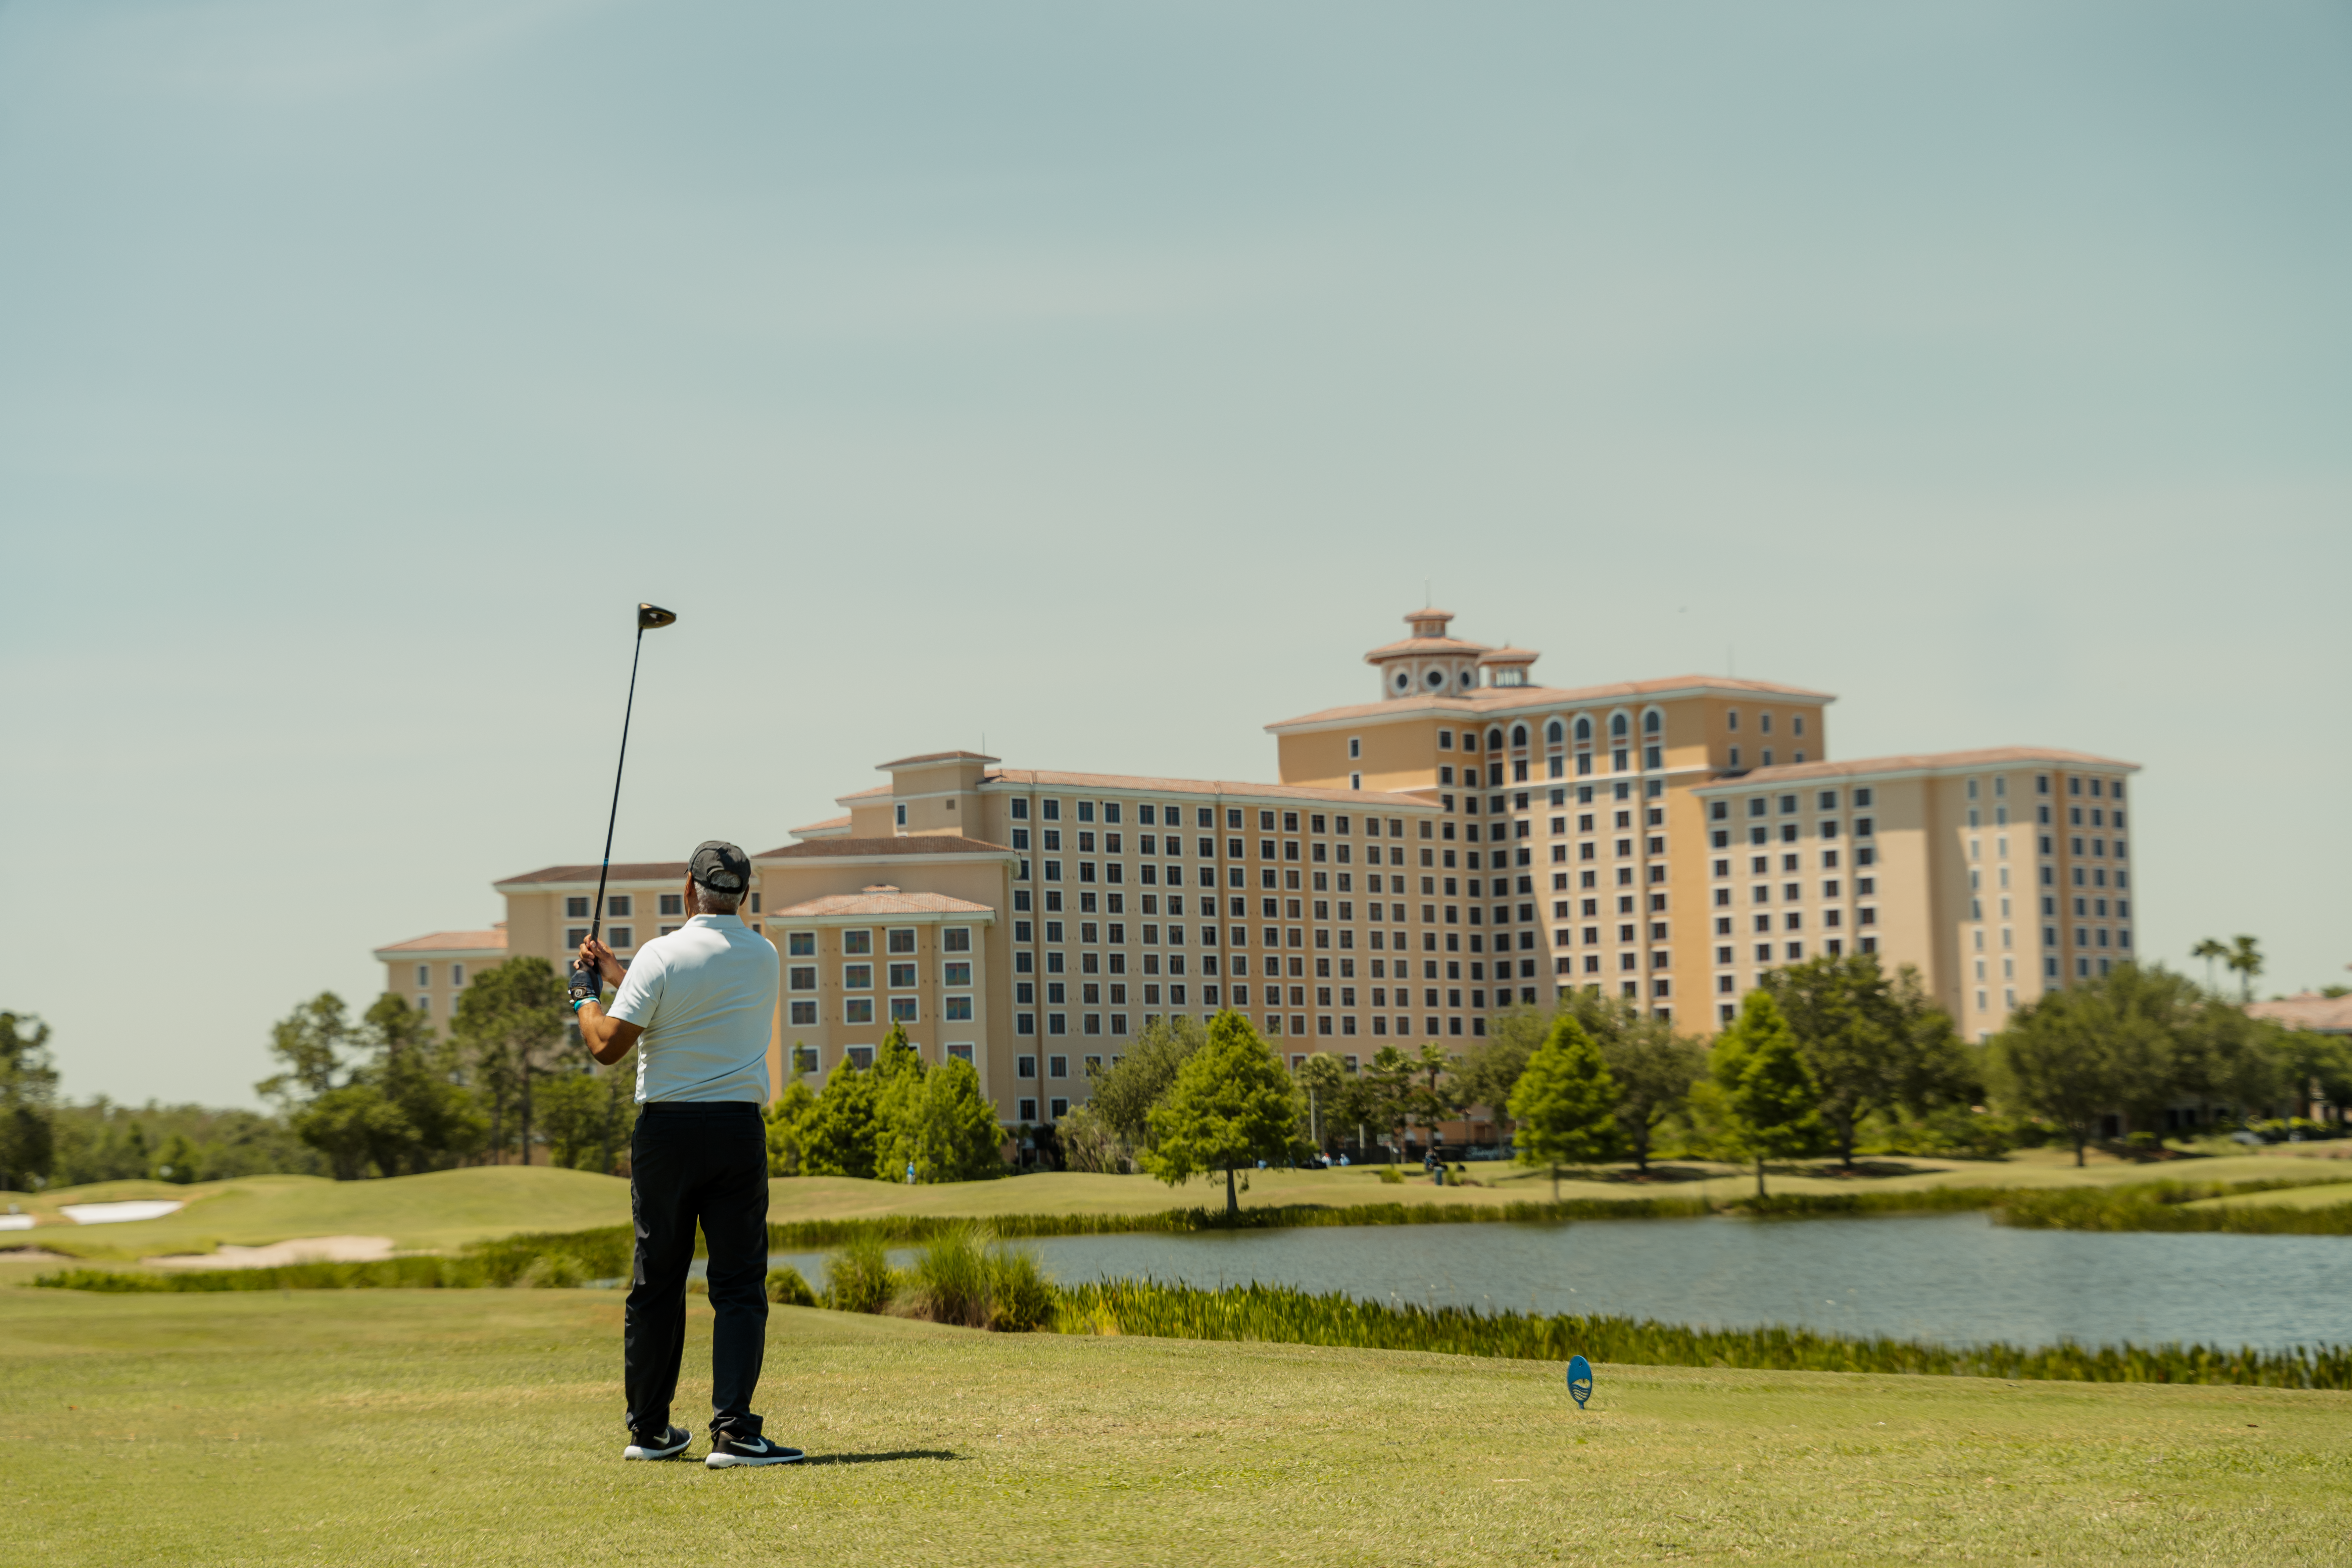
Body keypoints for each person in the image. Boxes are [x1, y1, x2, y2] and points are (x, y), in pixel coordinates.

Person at [572, 840, 797, 1468]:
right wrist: (619, 973)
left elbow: (607, 1045)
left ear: (688, 890)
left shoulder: (659, 957)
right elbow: (690, 1002)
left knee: (658, 1282)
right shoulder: (766, 956)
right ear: (743, 895)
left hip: (666, 1137)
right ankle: (734, 1433)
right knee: (738, 1285)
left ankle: (648, 1431)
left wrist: (583, 993)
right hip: (736, 1135)